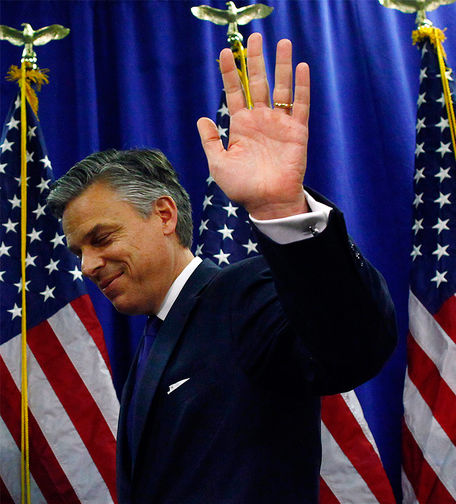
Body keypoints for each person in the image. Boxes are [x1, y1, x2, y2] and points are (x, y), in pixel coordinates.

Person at [47, 33, 397, 503]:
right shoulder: (155, 337)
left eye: (102, 239)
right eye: (78, 252)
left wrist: (281, 209)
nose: (88, 265)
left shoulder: (243, 294)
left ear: (164, 216)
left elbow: (353, 347)